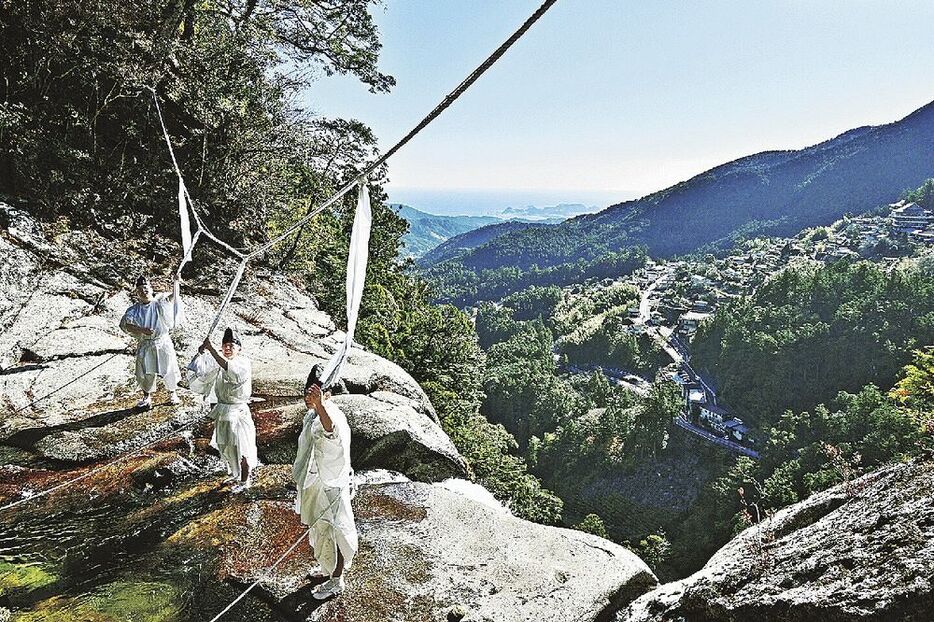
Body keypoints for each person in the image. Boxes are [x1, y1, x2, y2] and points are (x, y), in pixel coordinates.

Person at [293, 364, 358, 600]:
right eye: (308, 392)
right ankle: (327, 568)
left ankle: (337, 579)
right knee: (320, 529)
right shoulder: (311, 414)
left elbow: (331, 433)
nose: (309, 397)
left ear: (327, 394)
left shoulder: (330, 413)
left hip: (332, 482)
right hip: (316, 480)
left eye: (316, 393)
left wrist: (320, 404)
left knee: (335, 528)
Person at [194, 327, 258, 492]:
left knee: (242, 446)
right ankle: (235, 474)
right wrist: (201, 353)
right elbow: (201, 371)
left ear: (239, 349)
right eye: (225, 346)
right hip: (223, 411)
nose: (228, 348)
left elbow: (230, 369)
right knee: (226, 446)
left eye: (232, 346)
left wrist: (212, 349)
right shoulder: (219, 360)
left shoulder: (243, 363)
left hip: (238, 412)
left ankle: (245, 481)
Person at [120, 275, 182, 409]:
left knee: (169, 368)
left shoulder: (159, 303)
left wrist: (176, 282)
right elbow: (126, 325)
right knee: (145, 371)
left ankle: (173, 393)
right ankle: (146, 397)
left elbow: (173, 297)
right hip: (146, 343)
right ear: (137, 292)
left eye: (146, 288)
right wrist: (141, 330)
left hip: (162, 341)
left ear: (151, 288)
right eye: (140, 289)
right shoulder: (134, 310)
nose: (144, 291)